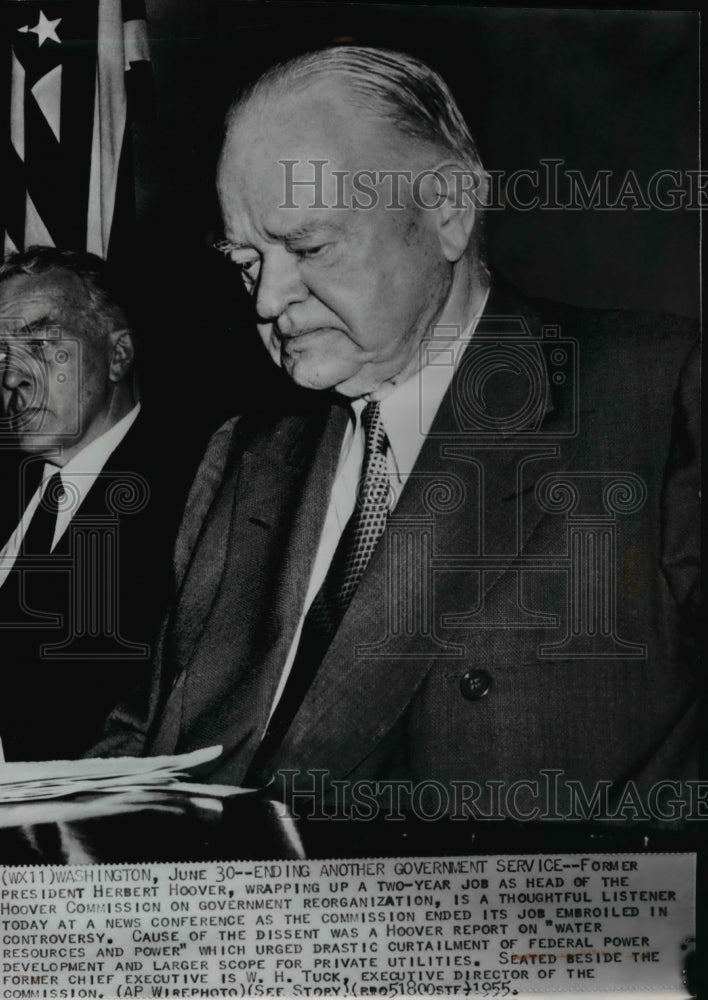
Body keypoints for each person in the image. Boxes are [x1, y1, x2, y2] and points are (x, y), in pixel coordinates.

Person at [93, 47, 699, 822]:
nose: (268, 299)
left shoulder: (657, 394)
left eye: (310, 247)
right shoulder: (245, 455)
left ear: (447, 210)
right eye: (246, 259)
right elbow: (144, 738)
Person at [0, 247, 200, 761]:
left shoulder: (196, 496)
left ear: (118, 356)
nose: (11, 377)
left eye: (41, 343)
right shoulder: (12, 487)